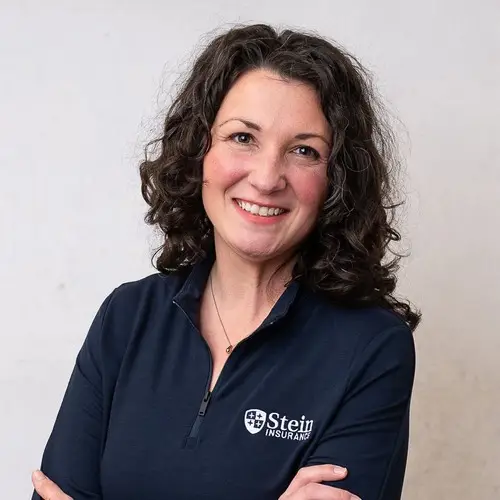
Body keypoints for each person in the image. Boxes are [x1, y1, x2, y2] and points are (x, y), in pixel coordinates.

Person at [31, 23, 421, 500]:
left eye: (304, 151)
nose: (266, 177)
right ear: (200, 151)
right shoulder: (127, 317)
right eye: (242, 138)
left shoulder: (372, 347)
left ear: (336, 180)